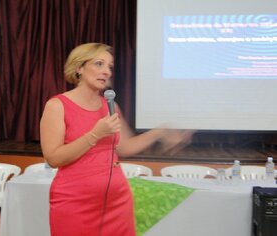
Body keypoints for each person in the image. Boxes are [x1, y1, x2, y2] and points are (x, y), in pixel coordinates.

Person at [40, 42, 193, 236]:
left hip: (116, 202)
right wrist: (95, 134)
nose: (106, 71)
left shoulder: (110, 106)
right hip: (74, 202)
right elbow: (53, 158)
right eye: (99, 64)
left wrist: (159, 132)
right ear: (79, 67)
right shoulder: (57, 106)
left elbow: (125, 147)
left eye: (109, 66)